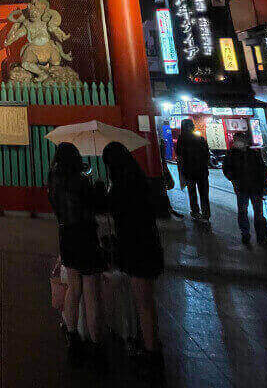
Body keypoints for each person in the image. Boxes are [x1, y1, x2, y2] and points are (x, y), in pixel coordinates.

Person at [102, 142, 164, 378]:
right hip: (147, 242)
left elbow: (115, 208)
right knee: (146, 300)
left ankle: (151, 352)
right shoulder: (139, 180)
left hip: (135, 246)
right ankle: (150, 343)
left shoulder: (121, 186)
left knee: (142, 301)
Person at [47, 142, 105, 363]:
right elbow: (96, 206)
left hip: (67, 236)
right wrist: (98, 188)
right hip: (86, 236)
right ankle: (96, 342)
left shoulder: (53, 182)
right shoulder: (80, 181)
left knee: (73, 287)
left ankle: (72, 337)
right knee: (91, 291)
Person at [222, 132, 267, 247]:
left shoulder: (254, 154)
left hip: (256, 188)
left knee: (258, 213)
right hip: (242, 188)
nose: (239, 142)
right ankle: (245, 233)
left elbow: (263, 170)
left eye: (241, 140)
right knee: (243, 211)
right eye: (237, 140)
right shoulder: (231, 155)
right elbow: (226, 170)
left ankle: (262, 237)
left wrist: (266, 184)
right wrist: (234, 179)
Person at [175, 118, 211, 220]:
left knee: (192, 193)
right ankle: (206, 214)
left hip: (189, 172)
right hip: (202, 172)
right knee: (204, 194)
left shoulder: (181, 139)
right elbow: (206, 154)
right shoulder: (200, 138)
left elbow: (179, 155)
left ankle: (195, 212)